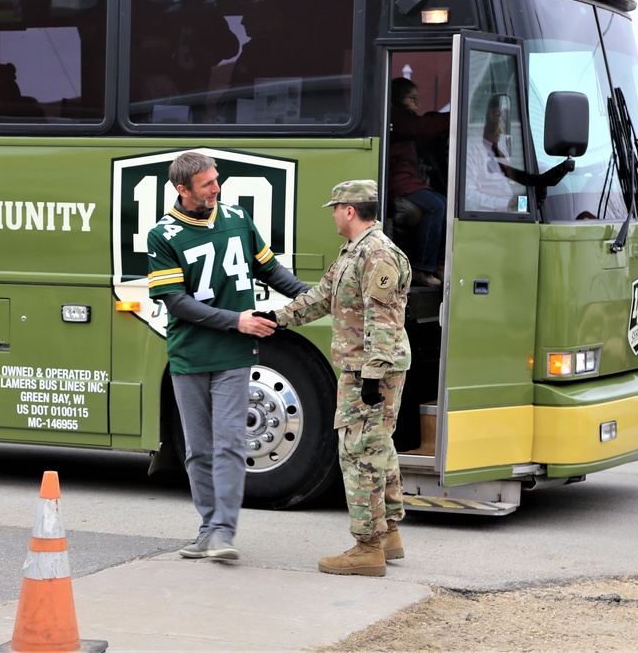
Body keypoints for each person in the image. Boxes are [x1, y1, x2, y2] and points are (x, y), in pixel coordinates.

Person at [147, 151, 307, 560]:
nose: (217, 189)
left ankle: (222, 531)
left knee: (232, 444)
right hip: (189, 356)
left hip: (234, 355)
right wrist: (237, 320)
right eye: (207, 184)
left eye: (217, 180)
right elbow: (176, 302)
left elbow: (271, 271)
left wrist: (313, 296)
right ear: (183, 190)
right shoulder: (162, 235)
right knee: (199, 449)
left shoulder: (237, 218)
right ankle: (208, 528)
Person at [273, 180, 410, 577]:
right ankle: (388, 535)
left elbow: (381, 320)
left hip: (369, 370)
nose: (332, 214)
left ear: (350, 211)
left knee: (359, 452)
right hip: (367, 367)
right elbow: (321, 297)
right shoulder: (356, 252)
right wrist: (277, 319)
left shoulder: (376, 254)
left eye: (335, 208)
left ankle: (367, 548)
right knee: (378, 447)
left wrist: (371, 376)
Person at [386, 77, 450, 287]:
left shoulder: (404, 116)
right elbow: (421, 128)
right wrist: (456, 115)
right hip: (399, 180)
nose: (416, 104)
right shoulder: (397, 115)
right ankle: (421, 267)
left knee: (443, 201)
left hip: (408, 178)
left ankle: (438, 263)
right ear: (398, 99)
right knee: (435, 205)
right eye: (412, 98)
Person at [465, 93, 526, 212]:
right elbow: (467, 196)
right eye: (498, 115)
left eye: (505, 116)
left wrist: (542, 168)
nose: (502, 121)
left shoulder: (502, 143)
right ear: (485, 116)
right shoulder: (470, 148)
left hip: (517, 210)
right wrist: (506, 204)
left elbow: (516, 171)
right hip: (493, 216)